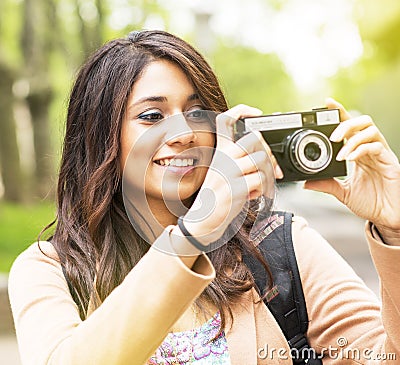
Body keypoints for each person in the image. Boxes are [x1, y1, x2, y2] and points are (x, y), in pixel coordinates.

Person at [8, 29, 400, 365]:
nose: (183, 133)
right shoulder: (51, 271)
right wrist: (195, 230)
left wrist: (395, 228)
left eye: (197, 111)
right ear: (100, 136)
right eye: (152, 116)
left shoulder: (278, 245)